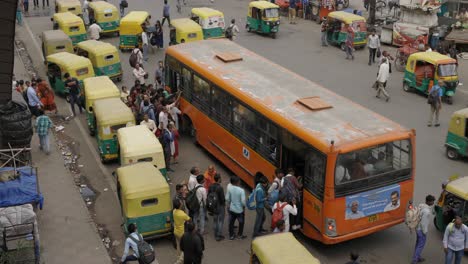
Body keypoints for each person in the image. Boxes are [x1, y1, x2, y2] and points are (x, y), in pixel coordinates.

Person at [412, 195, 436, 264]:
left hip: (417, 227)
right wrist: (425, 232)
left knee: (418, 243)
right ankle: (415, 260)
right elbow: (423, 224)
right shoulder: (426, 211)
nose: (433, 202)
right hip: (421, 230)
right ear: (429, 201)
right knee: (420, 245)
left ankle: (418, 257)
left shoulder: (421, 206)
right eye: (432, 201)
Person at [225, 175, 247, 240]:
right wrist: (243, 206)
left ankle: (231, 235)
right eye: (239, 180)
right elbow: (243, 202)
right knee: (241, 222)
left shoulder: (230, 189)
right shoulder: (241, 190)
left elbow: (227, 198)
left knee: (231, 223)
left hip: (232, 209)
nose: (240, 181)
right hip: (239, 210)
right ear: (237, 182)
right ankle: (239, 235)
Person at [209, 173, 226, 241]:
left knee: (215, 220)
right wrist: (224, 204)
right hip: (219, 206)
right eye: (220, 178)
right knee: (220, 221)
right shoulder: (220, 188)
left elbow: (208, 195)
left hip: (213, 206)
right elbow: (222, 199)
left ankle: (215, 233)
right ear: (219, 179)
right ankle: (218, 235)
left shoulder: (211, 186)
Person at [173, 198, 190, 264]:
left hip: (176, 231)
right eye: (181, 202)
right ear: (180, 205)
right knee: (185, 247)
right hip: (181, 233)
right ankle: (179, 261)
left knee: (179, 246)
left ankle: (178, 257)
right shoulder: (182, 214)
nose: (182, 203)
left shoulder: (174, 211)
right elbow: (189, 219)